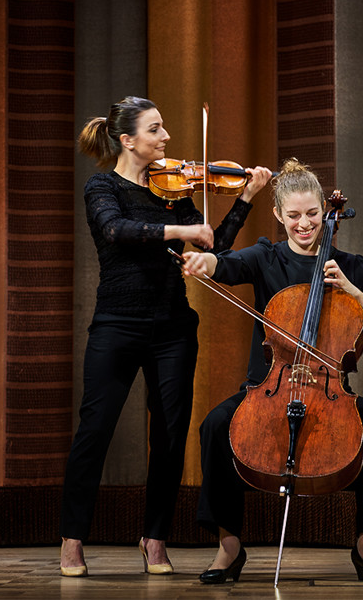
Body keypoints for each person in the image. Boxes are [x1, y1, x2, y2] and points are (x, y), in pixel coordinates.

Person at [59, 96, 272, 577]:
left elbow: (210, 243)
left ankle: (155, 538)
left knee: (171, 435)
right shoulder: (102, 187)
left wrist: (244, 199)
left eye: (165, 129)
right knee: (95, 431)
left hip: (173, 327)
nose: (167, 138)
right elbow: (117, 231)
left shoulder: (174, 190)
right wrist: (180, 226)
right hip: (116, 324)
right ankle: (72, 539)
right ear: (128, 139)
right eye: (156, 130)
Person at [180, 158, 363, 584]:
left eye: (313, 214)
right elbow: (223, 265)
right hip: (267, 387)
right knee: (215, 426)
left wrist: (353, 290)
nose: (305, 224)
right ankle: (229, 547)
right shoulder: (266, 256)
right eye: (295, 216)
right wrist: (201, 263)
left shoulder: (350, 265)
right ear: (279, 215)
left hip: (329, 390)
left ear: (326, 210)